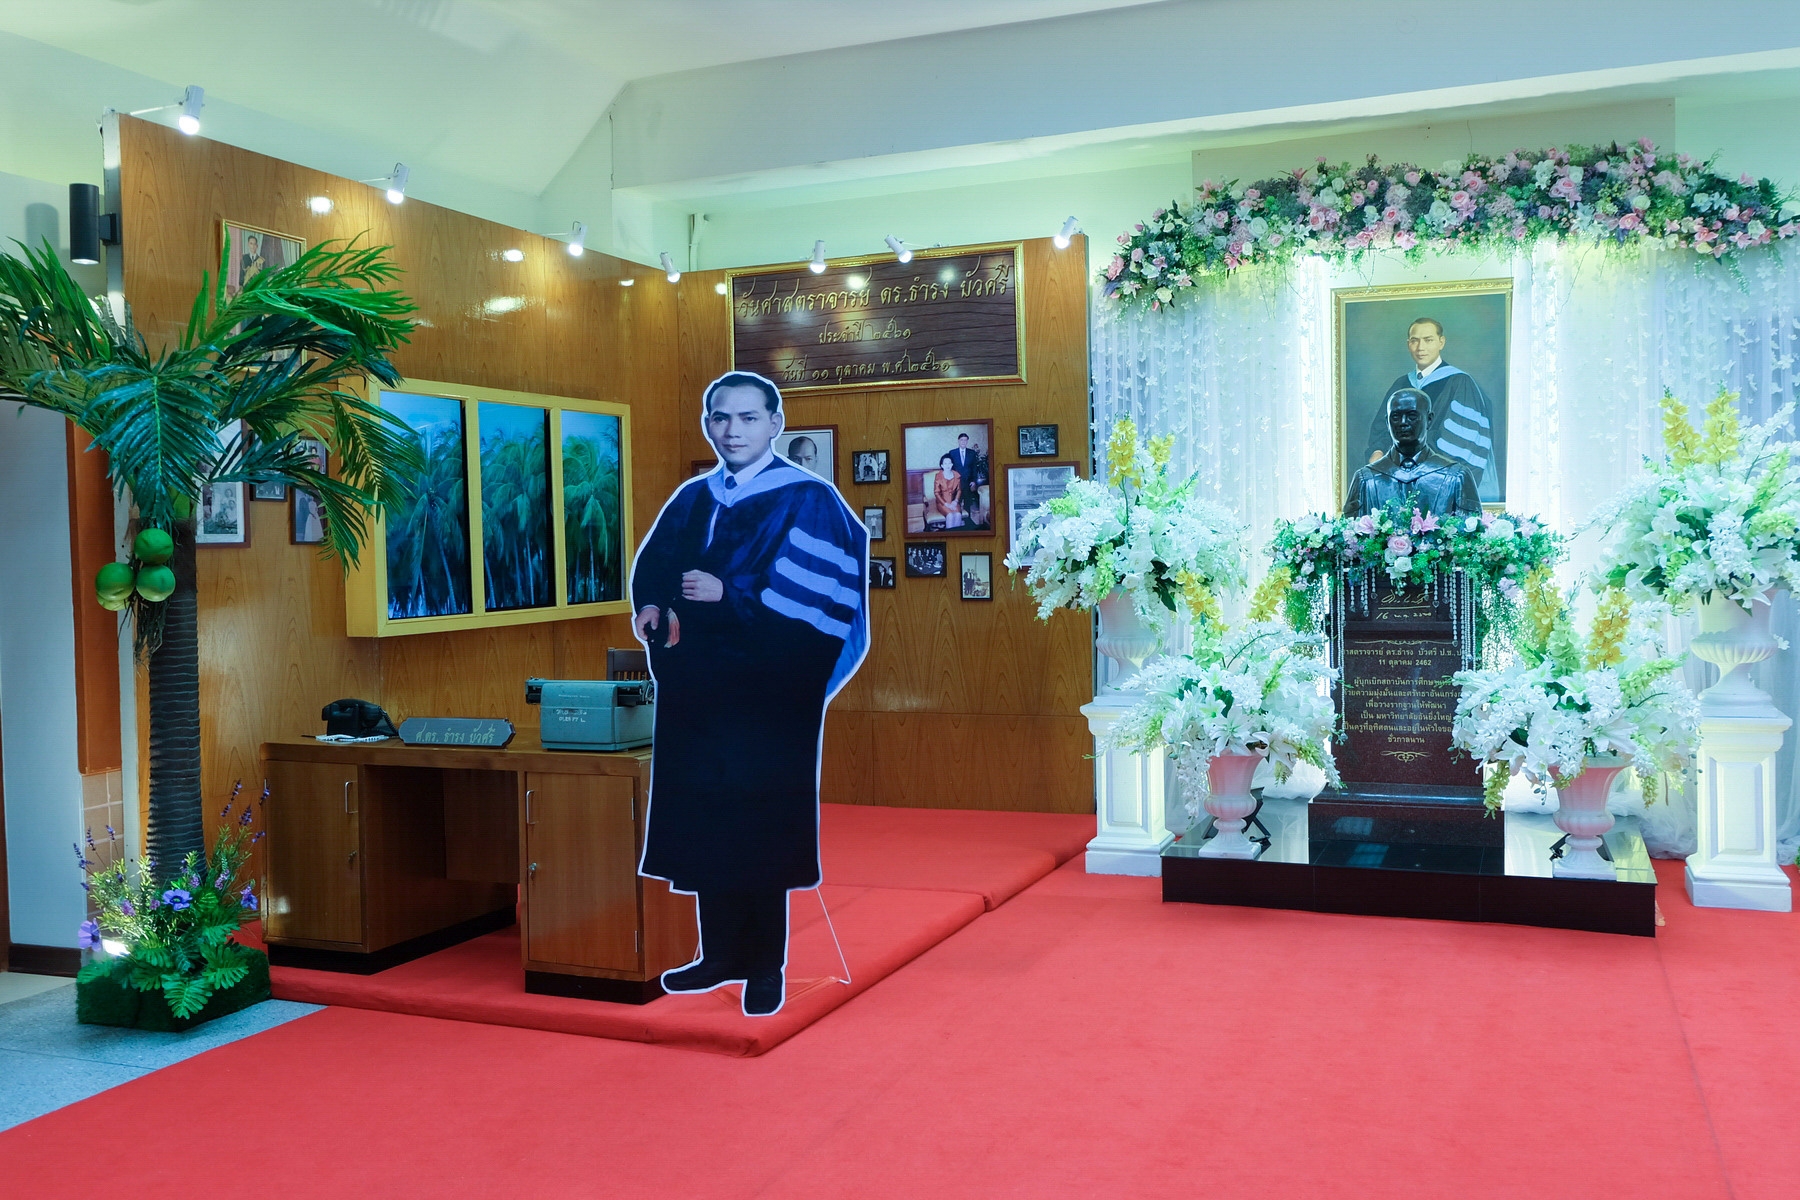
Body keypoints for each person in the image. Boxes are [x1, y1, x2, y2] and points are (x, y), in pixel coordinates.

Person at [631, 371, 869, 1017]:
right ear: (708, 424)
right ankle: (719, 956)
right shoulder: (693, 497)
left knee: (760, 828)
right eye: (720, 417)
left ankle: (766, 967)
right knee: (708, 823)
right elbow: (655, 565)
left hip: (768, 701)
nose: (731, 430)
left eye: (747, 417)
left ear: (775, 424)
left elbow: (824, 602)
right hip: (699, 696)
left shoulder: (809, 500)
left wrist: (731, 595)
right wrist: (650, 605)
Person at [1361, 317, 1496, 494]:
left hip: (1437, 482)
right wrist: (1378, 452)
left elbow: (1461, 442)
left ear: (1441, 342)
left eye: (1428, 340)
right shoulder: (1401, 384)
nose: (1420, 347)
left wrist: (1416, 467)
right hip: (1397, 478)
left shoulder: (1460, 383)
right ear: (1408, 344)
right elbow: (1382, 428)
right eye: (1414, 340)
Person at [1344, 388, 1480, 519]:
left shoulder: (1456, 477)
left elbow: (1473, 532)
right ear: (1387, 422)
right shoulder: (1366, 479)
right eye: (1396, 417)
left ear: (1429, 419)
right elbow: (1350, 532)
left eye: (1412, 416)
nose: (1403, 423)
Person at [946, 433, 985, 526]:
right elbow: (950, 468)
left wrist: (974, 481)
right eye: (962, 440)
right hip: (956, 483)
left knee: (968, 502)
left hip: (968, 482)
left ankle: (967, 522)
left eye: (965, 440)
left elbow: (974, 468)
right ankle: (957, 521)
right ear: (958, 441)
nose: (963, 442)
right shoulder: (952, 453)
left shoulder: (972, 453)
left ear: (967, 441)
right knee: (957, 502)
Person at [933, 453, 963, 529]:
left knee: (958, 515)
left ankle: (957, 534)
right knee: (950, 516)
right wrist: (946, 504)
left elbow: (959, 490)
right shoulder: (938, 476)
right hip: (942, 502)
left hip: (954, 501)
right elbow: (936, 493)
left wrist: (955, 501)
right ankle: (949, 534)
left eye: (949, 463)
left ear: (952, 464)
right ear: (942, 465)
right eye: (945, 463)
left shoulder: (957, 475)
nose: (947, 465)